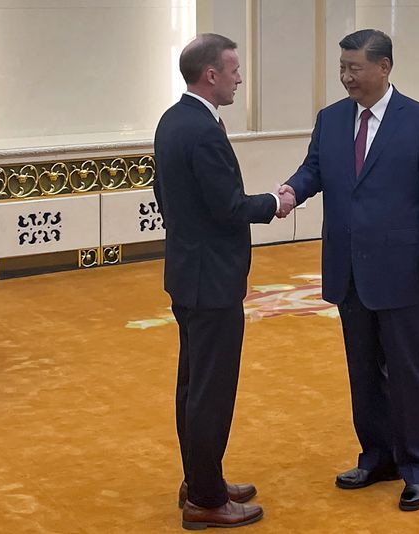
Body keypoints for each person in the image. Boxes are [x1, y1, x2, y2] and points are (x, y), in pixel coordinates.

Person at [279, 29, 419, 511]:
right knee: (362, 371)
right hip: (348, 269)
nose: (347, 77)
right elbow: (313, 169)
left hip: (403, 270)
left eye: (355, 68)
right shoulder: (331, 119)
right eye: (342, 68)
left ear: (385, 67)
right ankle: (377, 457)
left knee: (408, 371)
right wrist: (289, 192)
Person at [153, 33, 295, 529]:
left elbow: (167, 199)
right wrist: (275, 203)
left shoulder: (173, 121)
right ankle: (207, 501)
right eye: (234, 69)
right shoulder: (204, 131)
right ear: (210, 74)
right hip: (211, 282)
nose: (239, 77)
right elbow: (229, 207)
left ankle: (200, 479)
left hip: (187, 273)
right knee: (211, 391)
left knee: (193, 385)